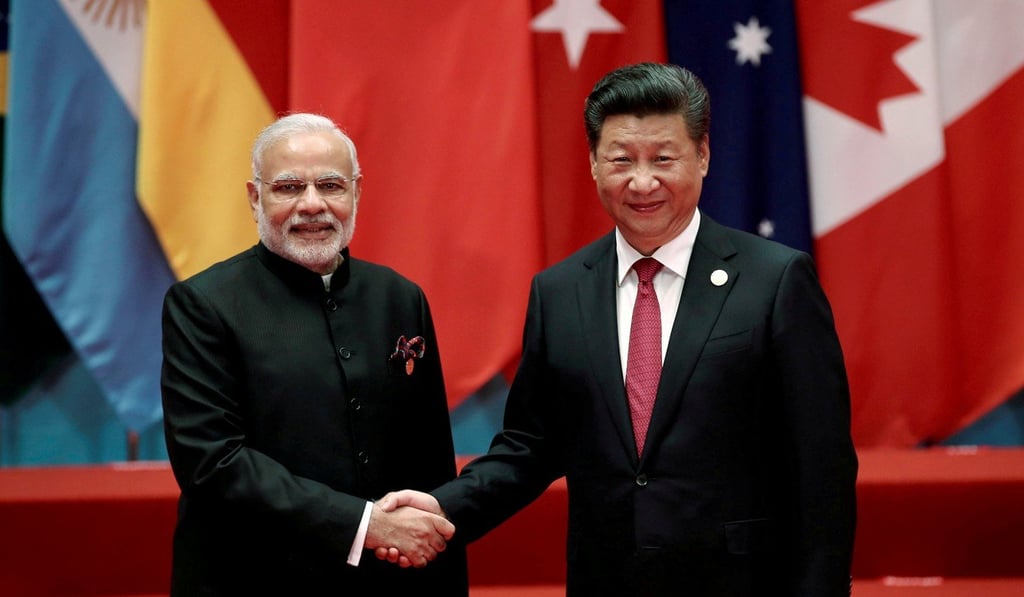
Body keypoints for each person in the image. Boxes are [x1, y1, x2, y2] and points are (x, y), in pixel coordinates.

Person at [379, 63, 858, 596]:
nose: (643, 181)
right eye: (622, 160)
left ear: (702, 156)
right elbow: (530, 446)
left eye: (663, 158)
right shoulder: (559, 292)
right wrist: (443, 507)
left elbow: (823, 466)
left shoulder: (775, 280)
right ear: (592, 164)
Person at [160, 112, 468, 596]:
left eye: (330, 185)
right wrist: (367, 524)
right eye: (287, 188)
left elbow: (430, 458)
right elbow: (213, 462)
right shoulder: (203, 304)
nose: (312, 205)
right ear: (254, 196)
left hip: (390, 582)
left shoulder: (400, 297)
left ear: (356, 193)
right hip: (252, 578)